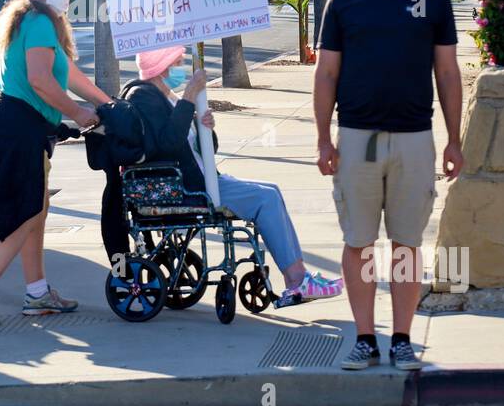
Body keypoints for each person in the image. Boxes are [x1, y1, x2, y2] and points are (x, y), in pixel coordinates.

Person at [314, 0, 463, 371]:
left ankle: (402, 338)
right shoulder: (342, 2)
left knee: (405, 244)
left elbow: (447, 73)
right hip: (357, 138)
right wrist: (323, 139)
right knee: (358, 242)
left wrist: (453, 139)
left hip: (415, 139)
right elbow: (327, 74)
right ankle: (364, 338)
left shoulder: (431, 0)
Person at [122, 46, 342, 306]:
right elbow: (168, 143)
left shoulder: (167, 96)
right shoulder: (143, 97)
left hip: (201, 178)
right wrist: (189, 98)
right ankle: (295, 280)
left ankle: (299, 276)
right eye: (177, 62)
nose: (181, 68)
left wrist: (204, 128)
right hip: (187, 187)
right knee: (266, 199)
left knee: (271, 191)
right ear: (162, 67)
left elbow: (199, 147)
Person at [0, 0, 108, 327]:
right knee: (23, 212)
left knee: (36, 210)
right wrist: (79, 112)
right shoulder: (39, 21)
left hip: (19, 126)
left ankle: (37, 293)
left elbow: (69, 75)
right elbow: (41, 81)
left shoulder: (38, 22)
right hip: (20, 128)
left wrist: (107, 104)